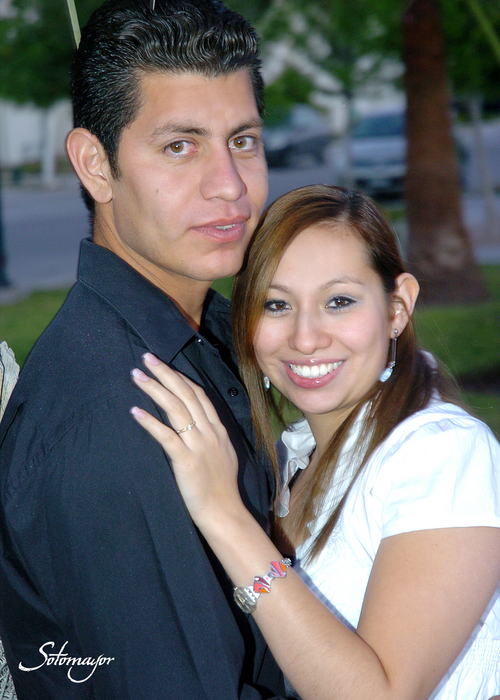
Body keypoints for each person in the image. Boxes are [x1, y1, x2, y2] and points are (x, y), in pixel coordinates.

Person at [0, 1, 287, 698]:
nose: (230, 185)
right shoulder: (120, 420)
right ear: (95, 165)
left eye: (243, 140)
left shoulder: (207, 332)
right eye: (180, 147)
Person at [131, 185, 500, 700]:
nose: (305, 338)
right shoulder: (292, 460)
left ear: (398, 307)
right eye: (276, 304)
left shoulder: (441, 454)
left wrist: (223, 514)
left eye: (339, 301)